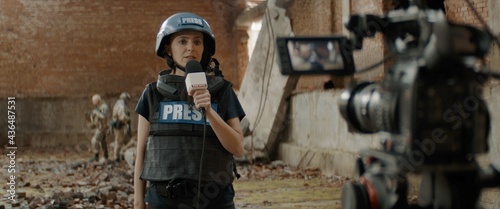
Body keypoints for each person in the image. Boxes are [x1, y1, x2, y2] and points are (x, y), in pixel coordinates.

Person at [133, 12, 246, 209]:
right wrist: (138, 201)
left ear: (205, 48)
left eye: (197, 42)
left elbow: (237, 147)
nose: (190, 48)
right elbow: (141, 151)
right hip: (164, 200)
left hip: (215, 201)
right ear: (168, 48)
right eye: (182, 41)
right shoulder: (153, 94)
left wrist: (210, 112)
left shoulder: (223, 91)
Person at [86, 94, 110, 162]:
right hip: (100, 127)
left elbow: (104, 116)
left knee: (94, 140)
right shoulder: (98, 107)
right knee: (102, 142)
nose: (93, 103)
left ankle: (96, 156)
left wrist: (96, 113)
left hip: (103, 128)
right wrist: (91, 124)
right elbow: (97, 119)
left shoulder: (104, 107)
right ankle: (105, 156)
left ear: (98, 101)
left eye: (94, 101)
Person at [111, 92, 132, 162]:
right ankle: (116, 158)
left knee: (123, 141)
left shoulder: (120, 104)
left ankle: (120, 156)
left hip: (121, 125)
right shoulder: (121, 105)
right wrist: (128, 119)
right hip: (119, 126)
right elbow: (122, 117)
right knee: (119, 141)